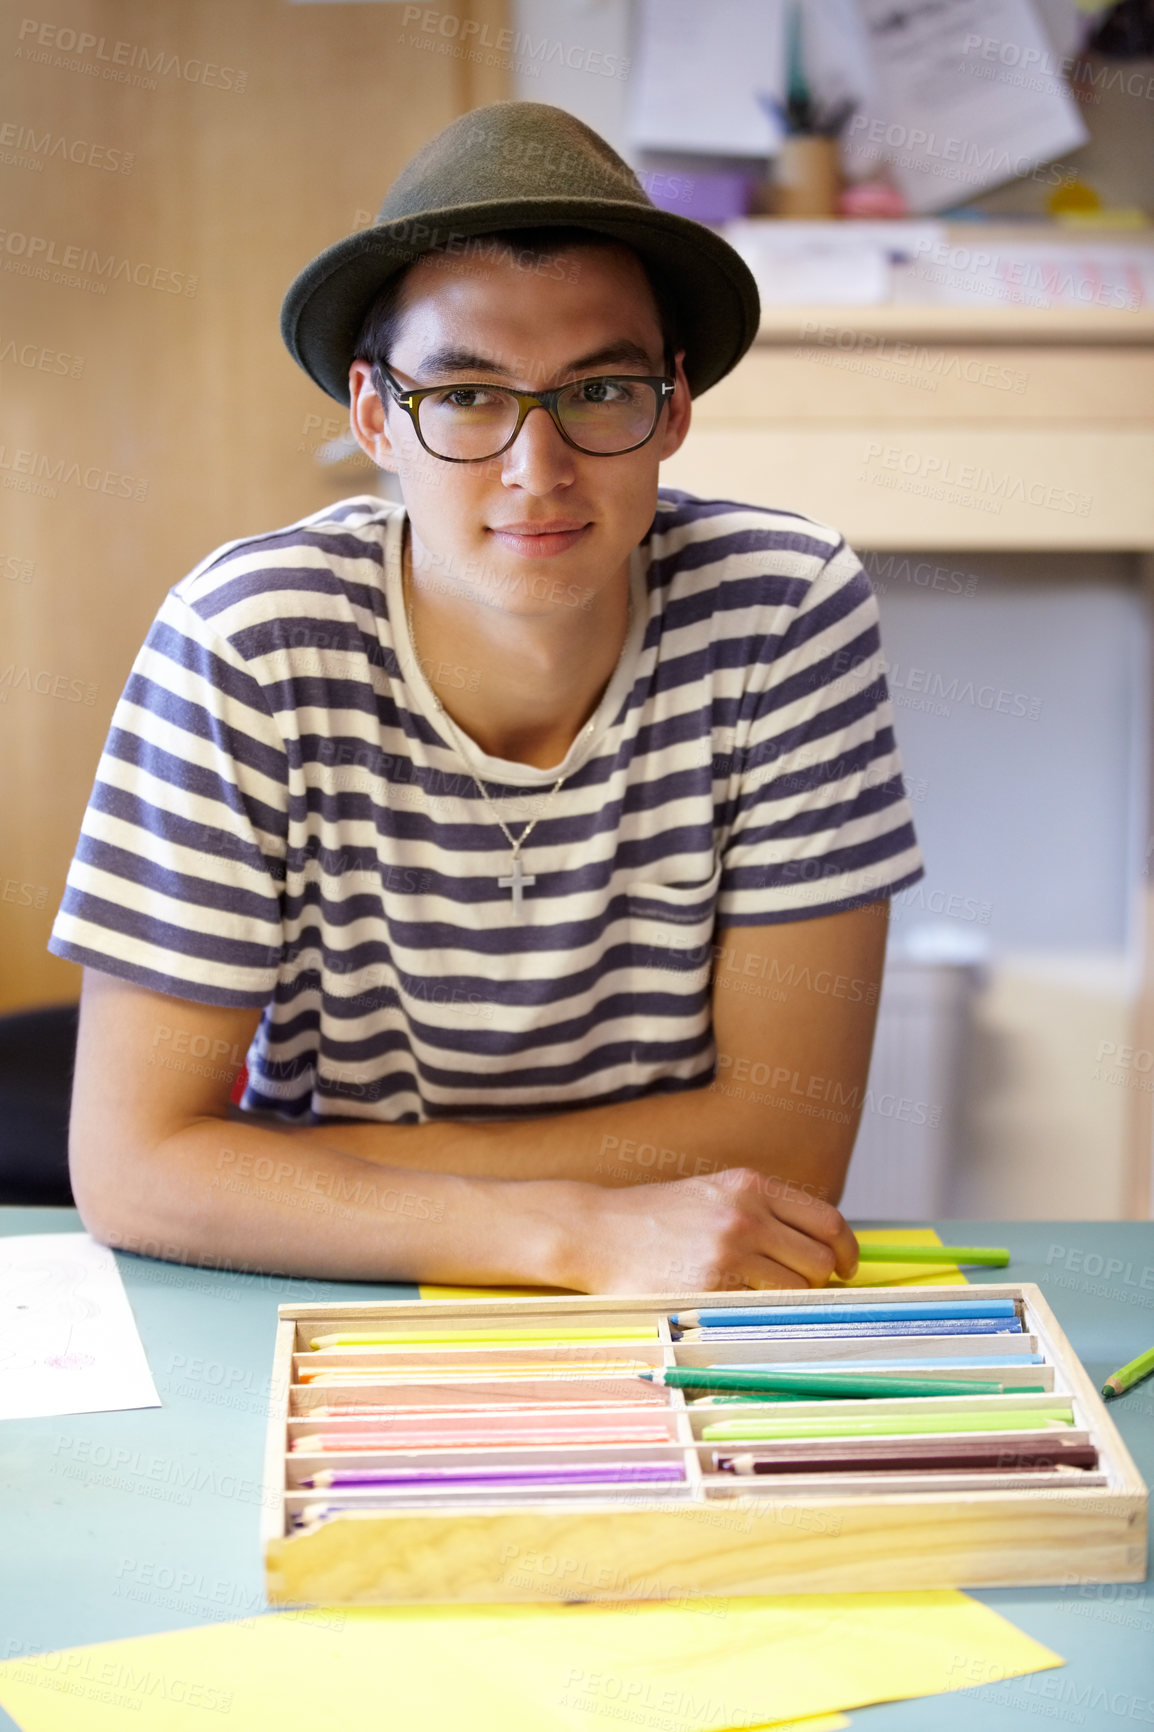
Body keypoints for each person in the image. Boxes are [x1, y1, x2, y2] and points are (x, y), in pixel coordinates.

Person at [49, 102, 925, 1294]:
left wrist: (289, 1171)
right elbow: (137, 1171)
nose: (536, 467)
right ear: (374, 415)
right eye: (465, 397)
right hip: (331, 1294)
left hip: (680, 1289)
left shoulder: (783, 609)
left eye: (598, 390)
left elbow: (789, 1144)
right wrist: (581, 1231)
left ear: (672, 406)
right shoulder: (246, 641)